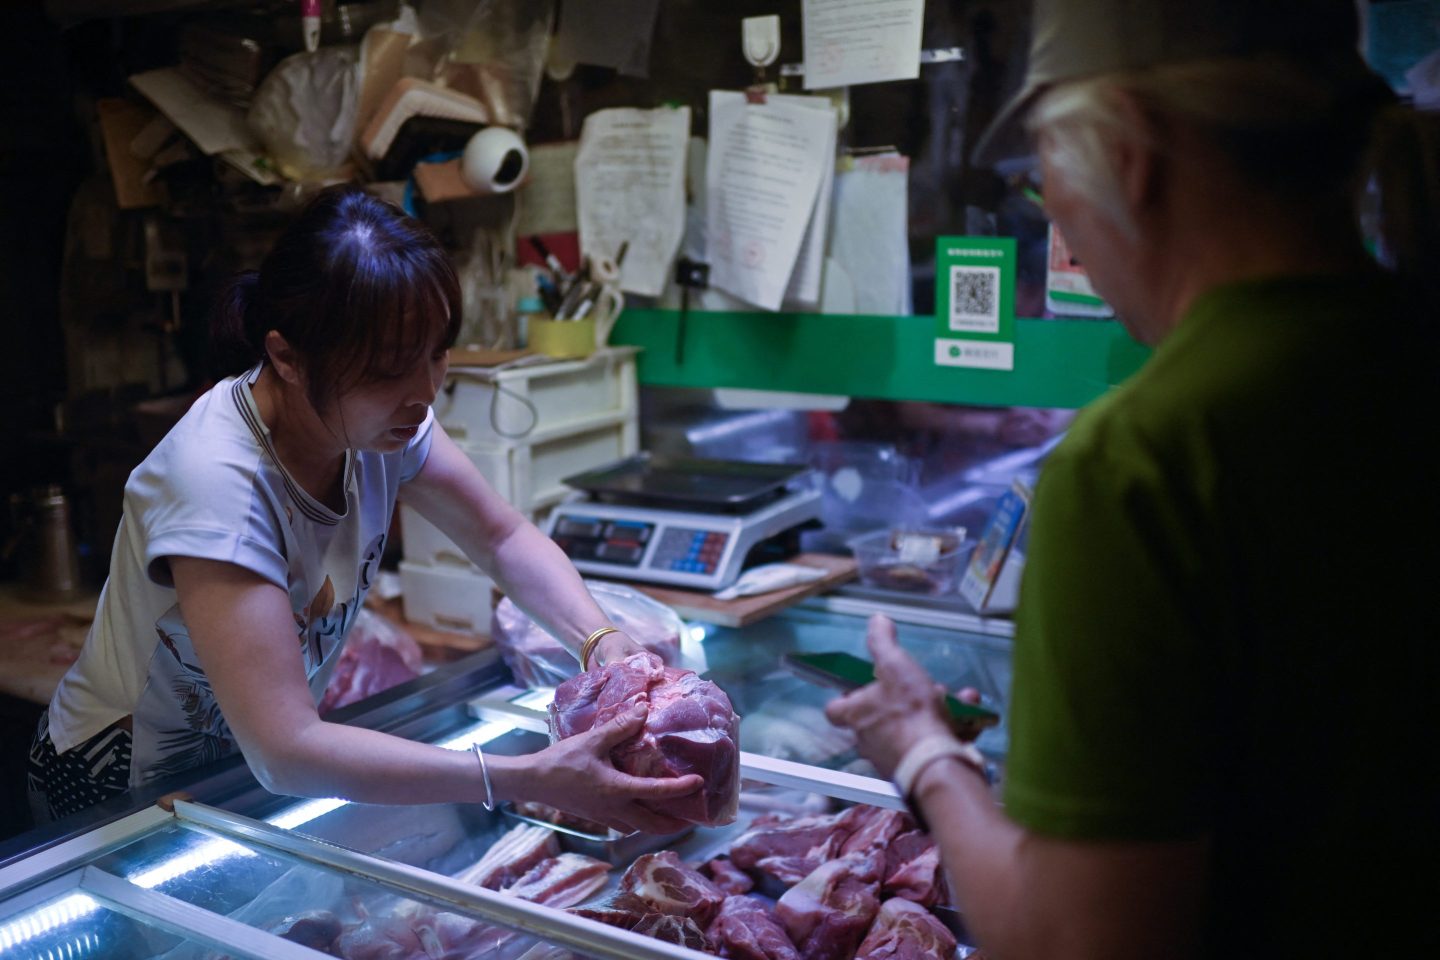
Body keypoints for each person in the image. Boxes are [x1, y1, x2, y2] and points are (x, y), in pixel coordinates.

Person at [826, 0, 1440, 957]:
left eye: (1044, 182)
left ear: (1134, 156)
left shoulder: (1145, 459)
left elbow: (1075, 940)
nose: (1056, 214)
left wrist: (923, 750)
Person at [28, 186, 700, 835]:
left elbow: (500, 536)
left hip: (243, 763)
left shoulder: (382, 424)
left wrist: (600, 641)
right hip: (119, 778)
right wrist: (525, 775)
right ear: (286, 357)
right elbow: (288, 747)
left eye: (436, 355)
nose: (421, 393)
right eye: (387, 369)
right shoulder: (217, 485)